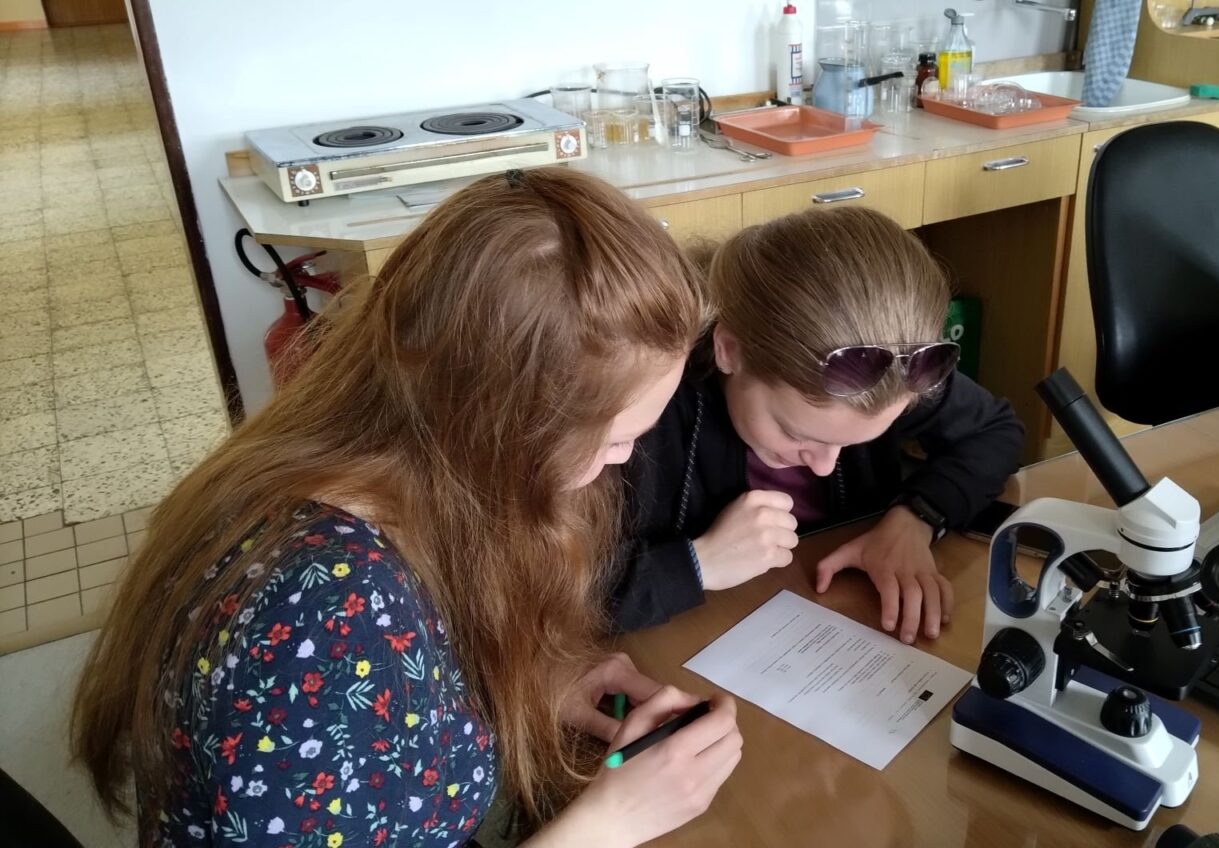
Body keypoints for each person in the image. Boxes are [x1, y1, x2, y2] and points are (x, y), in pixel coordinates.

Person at [70, 169, 743, 848]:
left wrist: (542, 683)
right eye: (617, 438)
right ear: (500, 428)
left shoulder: (391, 484)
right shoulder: (323, 617)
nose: (623, 461)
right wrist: (611, 822)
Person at [610, 206, 1025, 644]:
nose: (824, 466)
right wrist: (699, 563)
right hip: (676, 639)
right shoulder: (643, 403)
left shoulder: (893, 367)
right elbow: (563, 594)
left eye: (857, 442)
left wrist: (916, 518)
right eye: (796, 434)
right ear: (729, 350)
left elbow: (995, 430)